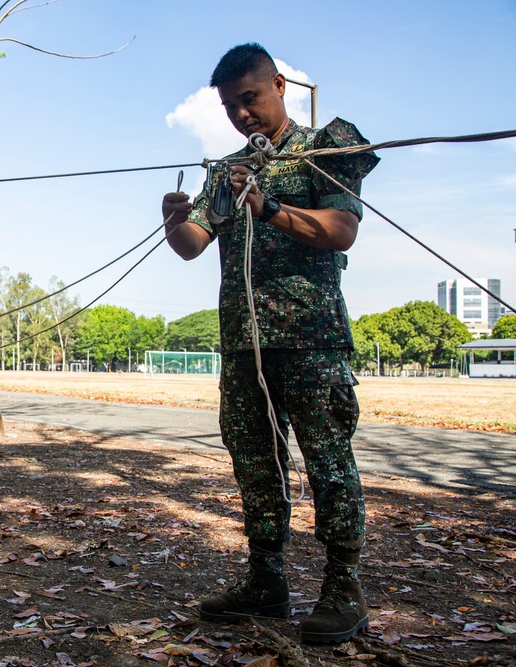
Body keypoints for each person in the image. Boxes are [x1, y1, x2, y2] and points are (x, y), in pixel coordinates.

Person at [161, 43, 378, 644]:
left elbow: (342, 232)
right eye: (230, 106)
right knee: (255, 464)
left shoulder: (324, 147)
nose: (242, 114)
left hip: (312, 343)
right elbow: (192, 244)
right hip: (244, 346)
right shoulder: (228, 170)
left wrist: (273, 207)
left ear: (279, 85)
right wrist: (172, 218)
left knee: (330, 465)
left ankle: (344, 588)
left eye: (250, 99)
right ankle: (266, 580)